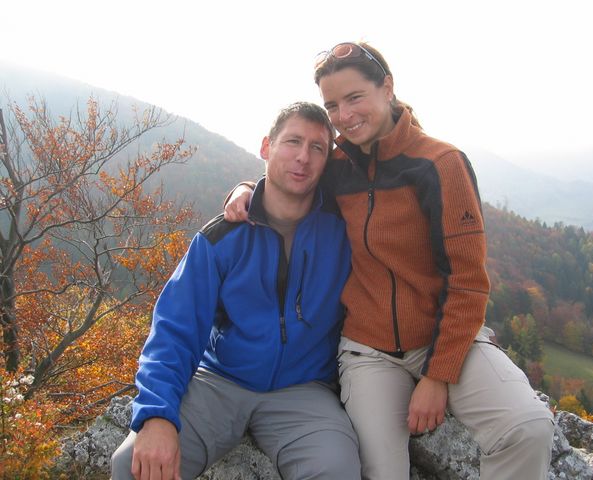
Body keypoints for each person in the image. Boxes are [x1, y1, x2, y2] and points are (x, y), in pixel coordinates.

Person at [224, 42, 555, 480]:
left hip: (448, 338)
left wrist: (437, 376)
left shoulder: (440, 164)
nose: (344, 116)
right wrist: (249, 188)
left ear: (387, 88)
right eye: (333, 105)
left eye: (354, 98)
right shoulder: (337, 167)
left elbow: (468, 281)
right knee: (381, 471)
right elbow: (290, 180)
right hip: (368, 350)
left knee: (528, 428)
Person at [111, 102, 360, 480]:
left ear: (327, 162)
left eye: (317, 148)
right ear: (266, 147)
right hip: (220, 381)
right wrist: (157, 415)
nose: (303, 157)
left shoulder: (343, 232)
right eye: (293, 141)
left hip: (305, 390)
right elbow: (175, 327)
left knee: (337, 469)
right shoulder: (222, 238)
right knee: (133, 466)